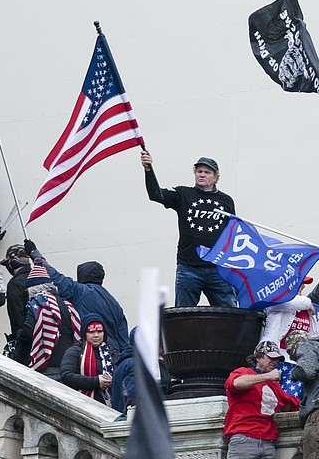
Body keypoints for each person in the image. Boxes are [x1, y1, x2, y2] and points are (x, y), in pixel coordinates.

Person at [140, 148, 237, 306]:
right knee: (183, 316)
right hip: (189, 267)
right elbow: (156, 194)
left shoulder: (226, 201)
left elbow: (232, 233)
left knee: (230, 314)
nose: (202, 174)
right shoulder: (183, 194)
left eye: (207, 172)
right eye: (199, 171)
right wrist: (148, 169)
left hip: (218, 268)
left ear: (216, 177)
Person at [22, 239, 130, 353]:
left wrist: (34, 253)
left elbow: (54, 276)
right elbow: (124, 340)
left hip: (92, 354)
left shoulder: (80, 291)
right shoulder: (114, 303)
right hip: (113, 356)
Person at [14, 263, 80, 380]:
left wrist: (18, 341)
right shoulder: (67, 305)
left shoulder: (38, 303)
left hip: (46, 364)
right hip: (66, 364)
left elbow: (28, 332)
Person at [60, 317, 116, 404]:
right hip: (82, 402)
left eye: (99, 331)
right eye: (91, 332)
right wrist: (96, 381)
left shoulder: (111, 351)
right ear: (84, 334)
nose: (96, 335)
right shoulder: (75, 351)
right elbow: (67, 376)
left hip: (110, 402)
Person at [2, 244, 33, 342]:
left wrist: (18, 339)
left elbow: (16, 316)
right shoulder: (39, 277)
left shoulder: (15, 283)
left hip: (26, 337)